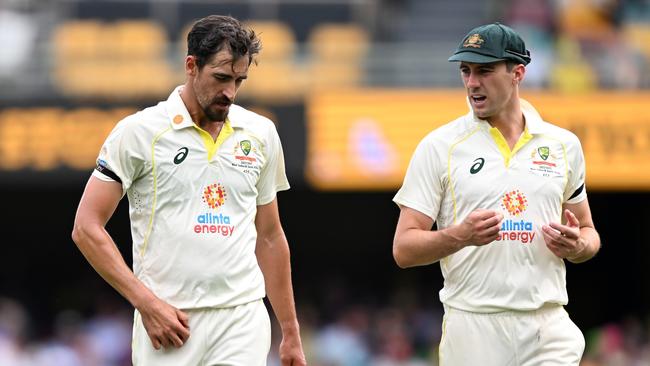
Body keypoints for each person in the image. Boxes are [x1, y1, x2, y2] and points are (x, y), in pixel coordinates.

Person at [71, 15, 306, 366]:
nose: (230, 92)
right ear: (191, 66)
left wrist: (290, 332)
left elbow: (270, 237)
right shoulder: (138, 132)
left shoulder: (260, 133)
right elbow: (86, 227)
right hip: (170, 323)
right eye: (221, 78)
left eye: (239, 81)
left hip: (241, 318)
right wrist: (146, 304)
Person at [392, 22, 600, 365]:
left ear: (517, 73)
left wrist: (578, 246)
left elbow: (589, 233)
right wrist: (461, 236)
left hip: (547, 326)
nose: (472, 82)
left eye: (484, 70)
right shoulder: (439, 146)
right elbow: (403, 249)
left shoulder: (563, 145)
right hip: (473, 325)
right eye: (466, 71)